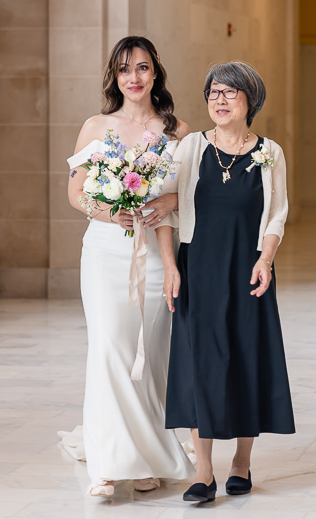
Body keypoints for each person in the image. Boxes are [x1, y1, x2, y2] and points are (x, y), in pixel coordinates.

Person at [157, 61, 295, 504]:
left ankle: (241, 461)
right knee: (201, 364)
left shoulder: (269, 152)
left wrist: (266, 259)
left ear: (249, 100)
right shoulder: (191, 147)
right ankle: (202, 471)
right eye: (213, 92)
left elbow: (277, 212)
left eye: (229, 92)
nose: (218, 99)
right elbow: (164, 210)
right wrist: (171, 267)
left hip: (248, 269)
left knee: (245, 360)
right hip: (198, 266)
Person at [65, 36, 194, 498]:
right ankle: (105, 462)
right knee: (107, 350)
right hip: (105, 251)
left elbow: (195, 194)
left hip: (157, 255)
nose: (133, 78)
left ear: (154, 72)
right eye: (124, 70)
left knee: (150, 354)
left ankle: (146, 458)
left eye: (141, 68)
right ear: (114, 76)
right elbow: (76, 192)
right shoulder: (96, 126)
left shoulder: (178, 131)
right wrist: (107, 212)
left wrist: (169, 199)